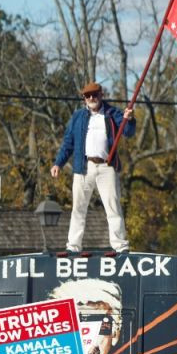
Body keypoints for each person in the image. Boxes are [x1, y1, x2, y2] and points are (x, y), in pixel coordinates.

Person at [51, 81, 136, 255]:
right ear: (84, 99)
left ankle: (120, 246)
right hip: (83, 167)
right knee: (78, 208)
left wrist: (130, 118)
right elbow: (68, 142)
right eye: (88, 96)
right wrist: (58, 163)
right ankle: (73, 247)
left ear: (101, 95)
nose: (92, 98)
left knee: (113, 206)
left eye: (95, 95)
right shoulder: (77, 117)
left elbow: (127, 131)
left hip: (107, 166)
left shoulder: (113, 113)